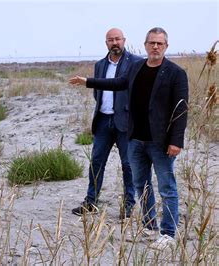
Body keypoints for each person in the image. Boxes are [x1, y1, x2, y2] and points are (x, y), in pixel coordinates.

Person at [69, 27, 188, 250]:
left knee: (167, 187)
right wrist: (88, 81)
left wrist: (176, 141)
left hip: (160, 141)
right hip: (135, 139)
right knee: (141, 184)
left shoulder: (175, 73)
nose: (155, 47)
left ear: (166, 46)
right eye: (151, 43)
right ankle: (149, 224)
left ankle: (168, 233)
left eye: (159, 44)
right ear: (144, 45)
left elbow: (181, 110)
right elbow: (117, 84)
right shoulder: (136, 67)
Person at [71, 28, 140, 220]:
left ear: (124, 40)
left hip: (125, 122)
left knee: (128, 164)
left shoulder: (135, 62)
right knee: (96, 162)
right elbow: (97, 91)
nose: (114, 42)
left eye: (117, 39)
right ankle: (90, 202)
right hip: (102, 120)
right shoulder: (100, 65)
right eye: (111, 40)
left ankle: (129, 204)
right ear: (106, 43)